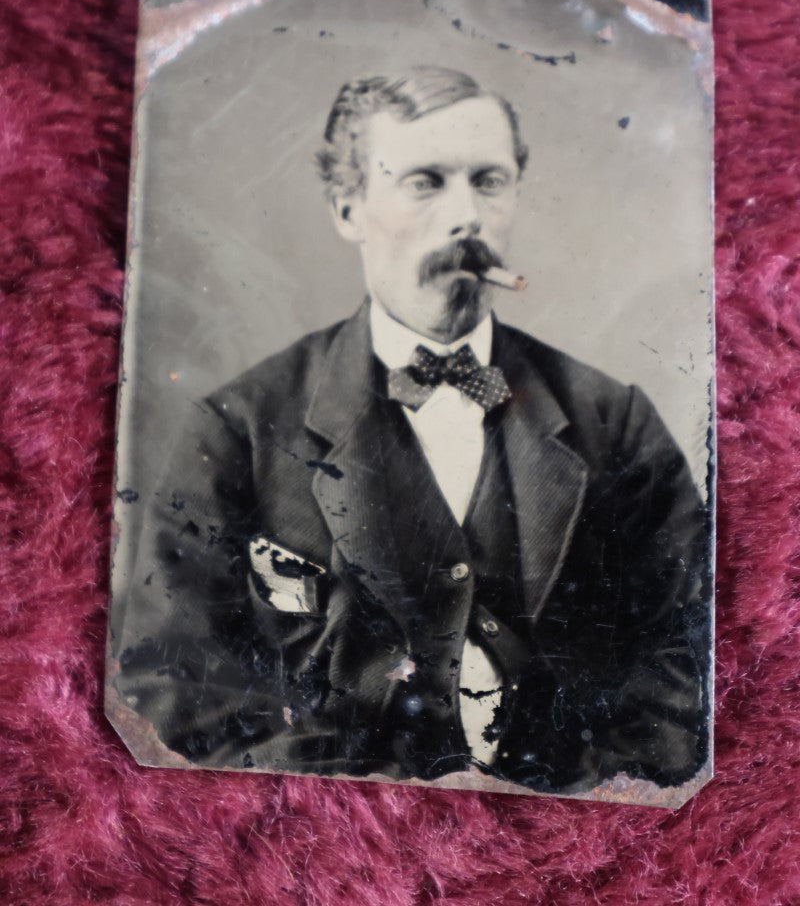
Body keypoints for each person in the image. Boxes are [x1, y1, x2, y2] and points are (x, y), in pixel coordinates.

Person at [114, 66, 711, 794]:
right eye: (425, 181)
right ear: (347, 209)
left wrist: (559, 807)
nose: (467, 216)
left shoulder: (612, 421)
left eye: (489, 181)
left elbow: (688, 670)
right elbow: (176, 690)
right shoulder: (239, 427)